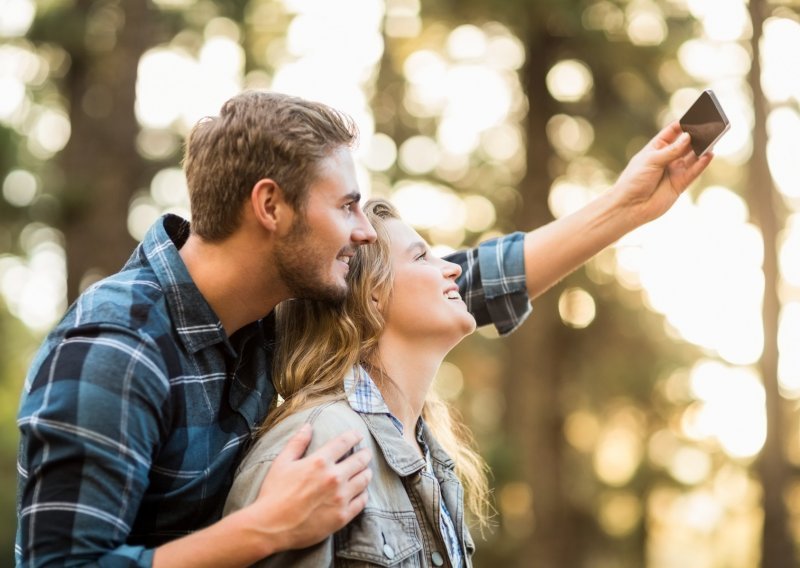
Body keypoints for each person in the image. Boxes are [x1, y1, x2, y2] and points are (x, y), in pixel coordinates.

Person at [15, 86, 711, 566]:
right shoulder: (116, 347)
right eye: (347, 206)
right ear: (271, 206)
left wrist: (627, 206)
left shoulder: (264, 315)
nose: (362, 232)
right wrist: (260, 530)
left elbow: (450, 287)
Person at [224, 198, 493, 567]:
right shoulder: (318, 442)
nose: (452, 269)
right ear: (372, 293)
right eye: (421, 257)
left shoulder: (431, 454)